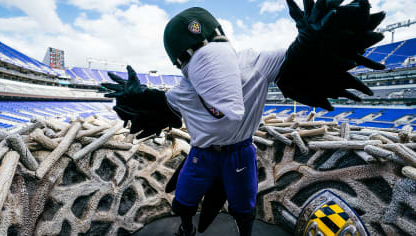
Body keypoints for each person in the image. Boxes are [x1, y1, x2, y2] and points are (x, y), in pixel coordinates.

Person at [102, 1, 385, 235]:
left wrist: (312, 41)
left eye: (210, 40)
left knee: (243, 204)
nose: (206, 54)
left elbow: (297, 61)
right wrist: (136, 97)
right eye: (192, 53)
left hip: (240, 152)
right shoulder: (183, 91)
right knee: (184, 201)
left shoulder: (256, 63)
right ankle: (186, 228)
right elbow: (160, 107)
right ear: (180, 63)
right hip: (202, 155)